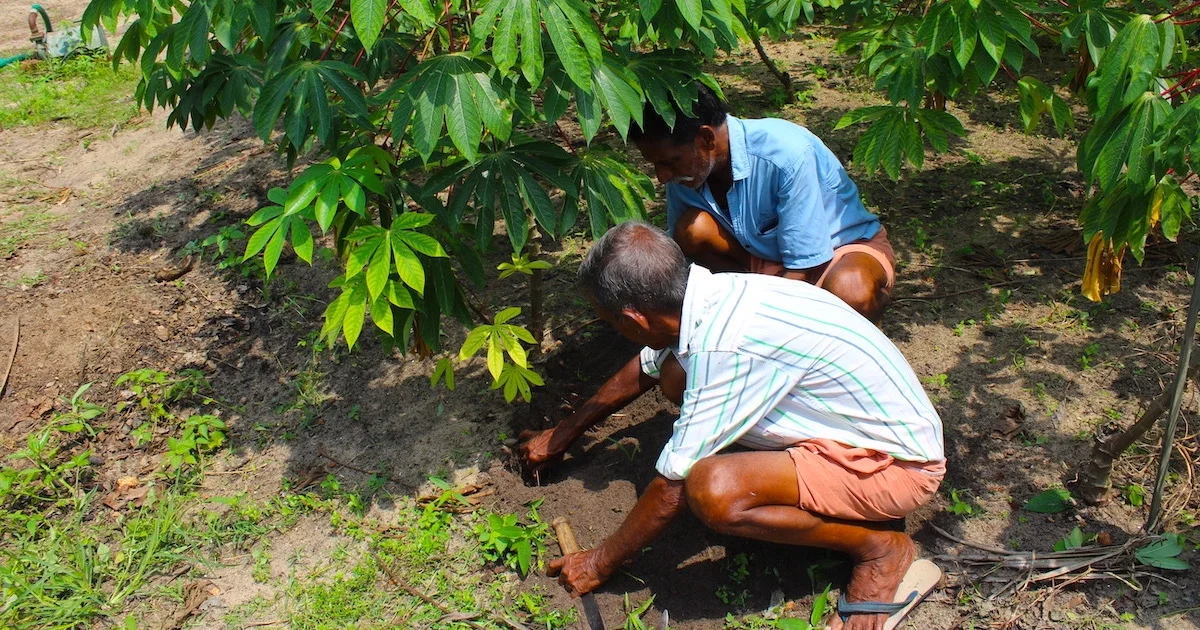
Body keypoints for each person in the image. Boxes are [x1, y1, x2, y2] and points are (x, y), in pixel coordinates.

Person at [530, 222, 945, 630]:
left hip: (897, 466)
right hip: (860, 427)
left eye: (612, 322)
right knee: (674, 372)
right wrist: (564, 434)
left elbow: (671, 485)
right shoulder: (709, 294)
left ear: (635, 320)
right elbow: (647, 365)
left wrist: (599, 561)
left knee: (714, 490)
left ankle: (879, 549)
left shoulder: (725, 345)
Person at [629, 84, 895, 322]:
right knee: (691, 229)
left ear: (707, 138)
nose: (662, 177)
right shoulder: (688, 171)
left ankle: (861, 319)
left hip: (836, 252)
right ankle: (768, 306)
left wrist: (756, 325)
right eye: (655, 165)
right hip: (763, 262)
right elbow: (680, 251)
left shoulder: (786, 153)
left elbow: (803, 266)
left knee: (850, 291)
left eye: (669, 162)